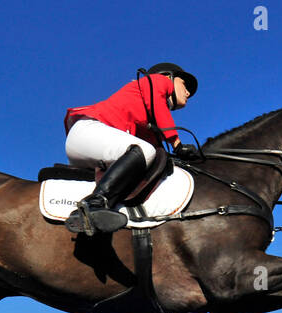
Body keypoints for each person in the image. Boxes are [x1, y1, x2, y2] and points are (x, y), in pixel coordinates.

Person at [63, 63, 200, 235]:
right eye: (184, 85)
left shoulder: (147, 120)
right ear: (168, 77)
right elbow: (160, 114)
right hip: (88, 131)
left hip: (93, 146)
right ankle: (94, 204)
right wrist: (177, 144)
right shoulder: (156, 81)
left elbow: (157, 153)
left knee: (147, 154)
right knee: (144, 151)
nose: (188, 93)